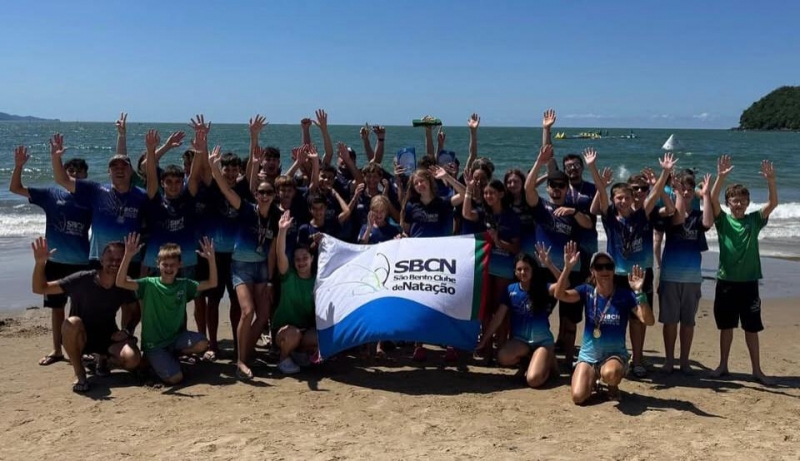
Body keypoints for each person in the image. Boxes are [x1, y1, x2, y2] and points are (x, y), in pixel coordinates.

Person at [588, 150, 675, 378]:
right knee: (613, 318)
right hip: (615, 275)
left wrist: (665, 173)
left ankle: (637, 360)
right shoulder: (609, 217)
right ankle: (612, 357)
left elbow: (655, 194)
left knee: (638, 319)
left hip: (641, 274)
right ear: (614, 200)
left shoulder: (643, 215)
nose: (623, 201)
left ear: (632, 198)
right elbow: (601, 192)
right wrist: (593, 167)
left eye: (627, 198)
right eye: (619, 198)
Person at [10, 143, 91, 366]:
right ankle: (57, 350)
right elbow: (15, 188)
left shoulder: (90, 199)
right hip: (54, 261)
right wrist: (19, 165)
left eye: (79, 172)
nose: (75, 175)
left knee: (80, 310)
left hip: (82, 262)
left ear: (86, 176)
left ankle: (82, 348)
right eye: (70, 171)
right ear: (63, 173)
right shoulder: (50, 194)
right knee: (56, 309)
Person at [31, 237, 141, 393]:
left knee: (133, 359)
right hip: (80, 336)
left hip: (108, 337)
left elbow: (136, 312)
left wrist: (127, 331)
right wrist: (40, 263)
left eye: (119, 259)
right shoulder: (82, 279)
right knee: (71, 323)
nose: (115, 263)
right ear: (101, 260)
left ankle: (103, 359)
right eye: (110, 259)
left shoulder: (124, 284)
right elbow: (40, 288)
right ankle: (80, 373)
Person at [209, 145, 279, 380]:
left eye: (269, 192)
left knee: (264, 314)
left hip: (262, 268)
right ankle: (240, 361)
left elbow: (272, 252)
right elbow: (224, 188)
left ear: (273, 195)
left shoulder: (277, 217)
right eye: (261, 192)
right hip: (241, 266)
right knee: (247, 311)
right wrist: (213, 166)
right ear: (255, 194)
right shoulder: (245, 208)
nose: (265, 196)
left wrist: (270, 279)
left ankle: (246, 352)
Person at [553, 246, 655, 404]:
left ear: (614, 270)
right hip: (589, 356)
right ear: (592, 270)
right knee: (578, 397)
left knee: (611, 374)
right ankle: (594, 378)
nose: (604, 270)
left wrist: (639, 292)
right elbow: (560, 294)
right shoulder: (587, 291)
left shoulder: (624, 295)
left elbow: (648, 321)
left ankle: (612, 385)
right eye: (599, 267)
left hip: (614, 355)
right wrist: (567, 268)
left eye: (608, 266)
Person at [708, 155, 777, 384]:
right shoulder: (722, 221)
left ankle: (756, 370)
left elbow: (773, 204)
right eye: (734, 201)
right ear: (728, 203)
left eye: (742, 201)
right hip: (726, 282)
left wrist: (771, 180)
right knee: (726, 327)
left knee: (751, 328)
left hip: (749, 283)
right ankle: (723, 365)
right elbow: (711, 199)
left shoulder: (754, 220)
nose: (738, 204)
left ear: (748, 203)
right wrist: (720, 177)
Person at [525, 144, 594, 367]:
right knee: (540, 315)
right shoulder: (541, 207)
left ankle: (569, 361)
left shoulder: (572, 210)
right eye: (553, 185)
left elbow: (589, 223)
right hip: (543, 270)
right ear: (548, 188)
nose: (556, 189)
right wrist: (540, 161)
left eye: (561, 186)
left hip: (571, 271)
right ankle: (540, 356)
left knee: (570, 320)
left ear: (566, 189)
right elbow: (528, 189)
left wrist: (574, 211)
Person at [115, 233, 217, 385]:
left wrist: (211, 259)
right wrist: (128, 256)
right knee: (176, 378)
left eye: (172, 265)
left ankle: (170, 357)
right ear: (158, 264)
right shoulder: (148, 284)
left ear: (180, 265)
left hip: (175, 339)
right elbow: (120, 282)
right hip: (154, 344)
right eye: (165, 264)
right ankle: (151, 361)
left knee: (203, 343)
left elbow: (212, 283)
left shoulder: (184, 284)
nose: (169, 268)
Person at [51, 132, 148, 275]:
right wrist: (55, 157)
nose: (119, 170)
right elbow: (62, 180)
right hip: (99, 258)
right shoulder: (96, 190)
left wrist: (146, 262)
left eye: (124, 167)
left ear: (131, 171)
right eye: (115, 168)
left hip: (131, 259)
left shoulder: (142, 196)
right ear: (109, 172)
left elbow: (151, 228)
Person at [477, 249, 560, 388]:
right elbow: (498, 319)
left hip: (542, 342)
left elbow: (565, 284)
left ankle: (548, 361)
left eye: (526, 269)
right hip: (522, 341)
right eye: (519, 269)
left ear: (532, 270)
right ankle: (530, 361)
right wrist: (484, 340)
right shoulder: (510, 290)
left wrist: (549, 264)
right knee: (503, 357)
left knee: (533, 380)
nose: (523, 272)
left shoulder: (543, 288)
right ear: (515, 272)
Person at [657, 172, 713, 374]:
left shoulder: (698, 215)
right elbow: (678, 219)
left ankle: (685, 361)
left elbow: (708, 223)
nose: (686, 192)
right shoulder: (670, 213)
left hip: (692, 277)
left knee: (688, 322)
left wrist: (706, 195)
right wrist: (677, 192)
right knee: (670, 322)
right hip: (670, 276)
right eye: (682, 189)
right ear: (675, 190)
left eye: (690, 189)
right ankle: (669, 360)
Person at [463, 178, 520, 351]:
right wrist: (468, 190)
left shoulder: (511, 216)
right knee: (486, 309)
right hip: (485, 267)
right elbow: (467, 214)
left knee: (501, 309)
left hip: (504, 269)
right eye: (486, 193)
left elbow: (515, 248)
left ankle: (501, 347)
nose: (488, 196)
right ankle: (486, 348)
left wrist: (498, 241)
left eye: (492, 193)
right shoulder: (484, 213)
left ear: (501, 194)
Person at [272, 210, 318, 374]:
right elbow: (280, 255)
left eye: (305, 258)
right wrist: (282, 230)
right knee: (293, 334)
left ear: (312, 259)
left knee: (323, 337)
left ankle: (298, 353)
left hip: (304, 330)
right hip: (284, 331)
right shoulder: (288, 276)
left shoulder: (317, 282)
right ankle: (283, 358)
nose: (301, 262)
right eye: (297, 259)